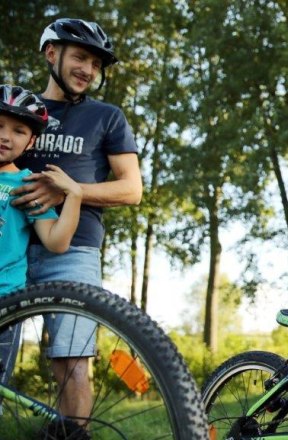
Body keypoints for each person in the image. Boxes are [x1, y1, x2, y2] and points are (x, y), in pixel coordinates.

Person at [10, 18, 142, 424]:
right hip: (9, 246)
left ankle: (73, 436)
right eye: (80, 57)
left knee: (72, 361)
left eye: (96, 64)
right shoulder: (15, 108)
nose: (88, 69)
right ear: (52, 53)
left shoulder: (108, 116)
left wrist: (73, 189)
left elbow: (131, 190)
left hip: (74, 250)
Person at [0, 84, 82, 384]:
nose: (5, 136)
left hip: (4, 303)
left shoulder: (25, 183)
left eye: (19, 131)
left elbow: (56, 241)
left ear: (32, 141)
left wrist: (74, 194)